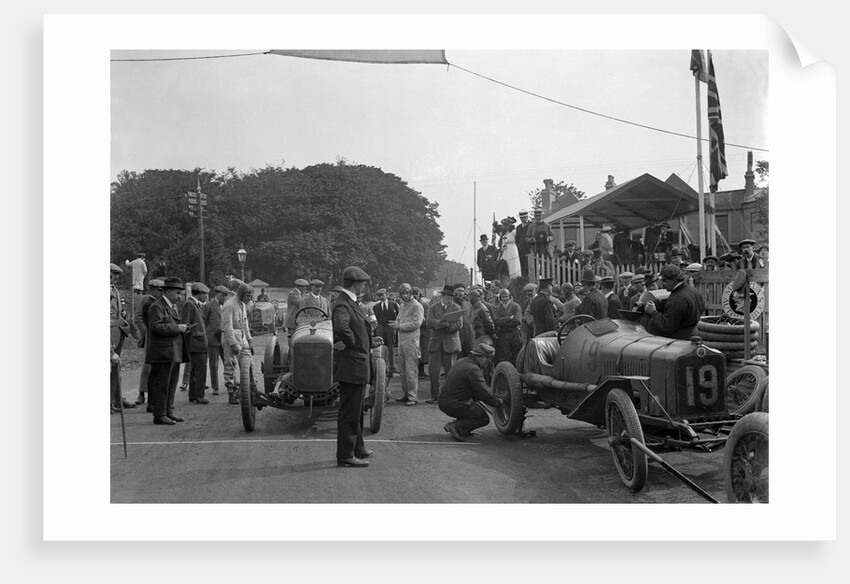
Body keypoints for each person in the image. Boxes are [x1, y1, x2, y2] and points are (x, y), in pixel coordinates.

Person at [331, 266, 378, 468]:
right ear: (356, 284)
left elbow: (357, 328)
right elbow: (342, 328)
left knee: (357, 410)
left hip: (356, 365)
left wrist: (367, 340)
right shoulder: (343, 304)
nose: (364, 287)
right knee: (349, 412)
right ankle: (345, 455)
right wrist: (354, 343)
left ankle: (358, 447)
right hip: (352, 365)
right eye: (363, 284)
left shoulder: (351, 303)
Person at [145, 277, 190, 425]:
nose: (179, 296)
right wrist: (178, 328)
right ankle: (159, 415)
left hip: (172, 352)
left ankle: (168, 411)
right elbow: (156, 327)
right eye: (177, 293)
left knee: (171, 384)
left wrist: (182, 328)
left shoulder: (171, 306)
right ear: (168, 291)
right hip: (162, 353)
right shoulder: (157, 307)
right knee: (162, 384)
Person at [438, 343, 503, 442]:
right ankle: (456, 426)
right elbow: (483, 392)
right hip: (454, 403)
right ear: (482, 358)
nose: (489, 363)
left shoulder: (462, 361)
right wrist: (497, 402)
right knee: (483, 418)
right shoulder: (473, 369)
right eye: (488, 359)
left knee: (472, 406)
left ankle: (463, 429)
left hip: (446, 400)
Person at [639, 264, 706, 340]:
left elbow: (666, 327)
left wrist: (653, 312)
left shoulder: (676, 299)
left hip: (678, 341)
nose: (662, 285)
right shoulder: (693, 291)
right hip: (692, 334)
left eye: (664, 281)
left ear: (674, 280)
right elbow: (702, 309)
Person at [425, 284, 464, 404]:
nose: (450, 300)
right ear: (443, 296)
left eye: (452, 298)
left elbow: (459, 325)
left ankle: (449, 396)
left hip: (450, 343)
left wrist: (448, 326)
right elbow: (428, 322)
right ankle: (434, 395)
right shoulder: (433, 307)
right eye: (448, 297)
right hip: (436, 343)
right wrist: (439, 323)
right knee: (433, 371)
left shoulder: (456, 308)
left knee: (450, 372)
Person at [390, 283, 424, 406]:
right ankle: (406, 394)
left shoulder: (417, 306)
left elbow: (416, 323)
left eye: (406, 292)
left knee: (411, 370)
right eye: (402, 293)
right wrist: (395, 323)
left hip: (411, 341)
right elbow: (398, 319)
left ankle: (412, 397)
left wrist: (399, 326)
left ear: (410, 292)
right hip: (402, 341)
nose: (404, 295)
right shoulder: (403, 306)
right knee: (403, 370)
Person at [132, 278, 164, 407]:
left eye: (163, 290)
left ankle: (154, 395)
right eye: (158, 290)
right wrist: (147, 332)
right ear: (152, 289)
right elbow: (138, 318)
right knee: (147, 366)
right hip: (149, 338)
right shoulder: (145, 300)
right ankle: (141, 393)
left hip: (161, 338)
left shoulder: (162, 302)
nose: (161, 293)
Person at [110, 263, 137, 412]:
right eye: (113, 275)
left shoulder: (115, 290)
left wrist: (123, 314)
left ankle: (116, 399)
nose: (116, 278)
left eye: (117, 276)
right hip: (110, 334)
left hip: (118, 332)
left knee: (116, 368)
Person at [222, 282, 254, 405]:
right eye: (247, 295)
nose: (249, 298)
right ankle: (231, 393)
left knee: (249, 364)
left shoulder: (243, 305)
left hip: (243, 339)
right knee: (230, 366)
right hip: (231, 340)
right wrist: (233, 344)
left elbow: (245, 324)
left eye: (251, 296)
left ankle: (248, 389)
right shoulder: (229, 305)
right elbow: (227, 326)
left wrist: (250, 341)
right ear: (240, 294)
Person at [181, 282, 210, 404]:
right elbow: (185, 324)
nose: (206, 297)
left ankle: (193, 394)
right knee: (200, 370)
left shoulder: (196, 305)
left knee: (195, 370)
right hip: (195, 344)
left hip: (198, 343)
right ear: (198, 293)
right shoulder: (190, 304)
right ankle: (199, 395)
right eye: (204, 294)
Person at [203, 285, 230, 396]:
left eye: (225, 296)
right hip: (213, 338)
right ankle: (215, 387)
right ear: (217, 294)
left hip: (224, 338)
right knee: (213, 364)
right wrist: (208, 334)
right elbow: (203, 322)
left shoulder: (226, 306)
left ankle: (231, 384)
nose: (224, 297)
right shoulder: (208, 306)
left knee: (228, 362)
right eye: (223, 295)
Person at [491, 288, 523, 366]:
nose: (505, 299)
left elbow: (517, 320)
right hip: (503, 334)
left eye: (506, 297)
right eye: (503, 297)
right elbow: (496, 321)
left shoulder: (515, 306)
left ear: (510, 297)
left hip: (515, 333)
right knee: (503, 357)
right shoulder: (497, 308)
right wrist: (509, 318)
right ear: (500, 298)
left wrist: (503, 321)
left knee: (517, 355)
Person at [372, 288, 399, 373]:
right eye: (379, 296)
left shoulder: (393, 304)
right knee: (381, 346)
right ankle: (383, 366)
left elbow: (398, 316)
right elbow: (374, 318)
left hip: (390, 326)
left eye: (382, 295)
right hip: (381, 327)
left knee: (391, 346)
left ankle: (392, 366)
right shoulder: (376, 306)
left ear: (386, 295)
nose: (381, 297)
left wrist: (395, 323)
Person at [285, 278, 310, 348]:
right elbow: (301, 303)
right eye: (305, 286)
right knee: (293, 338)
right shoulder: (292, 294)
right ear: (300, 286)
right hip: (292, 319)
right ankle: (291, 354)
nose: (306, 288)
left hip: (300, 319)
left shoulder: (302, 294)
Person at [412, 287, 430, 378]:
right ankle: (415, 371)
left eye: (416, 294)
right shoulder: (409, 303)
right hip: (413, 331)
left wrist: (417, 323)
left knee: (422, 351)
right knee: (414, 351)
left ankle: (421, 371)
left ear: (419, 294)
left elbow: (428, 317)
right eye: (413, 294)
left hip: (423, 331)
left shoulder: (424, 304)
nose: (414, 296)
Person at [515, 210, 531, 277]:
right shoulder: (518, 227)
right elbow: (517, 239)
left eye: (524, 217)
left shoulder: (532, 225)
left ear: (527, 217)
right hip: (521, 250)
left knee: (529, 266)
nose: (523, 219)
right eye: (521, 218)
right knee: (522, 266)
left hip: (529, 249)